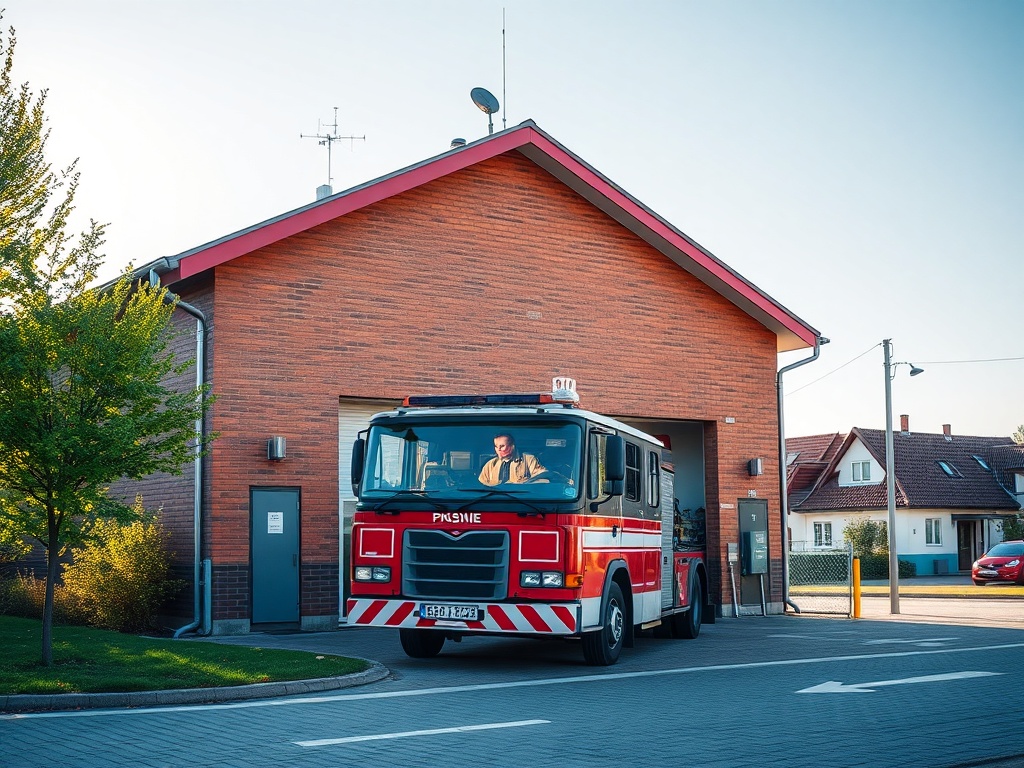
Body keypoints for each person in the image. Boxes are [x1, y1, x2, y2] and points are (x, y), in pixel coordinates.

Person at [478, 433, 547, 486]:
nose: (498, 449)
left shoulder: (529, 460)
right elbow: (481, 486)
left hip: (522, 500)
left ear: (512, 446)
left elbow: (542, 480)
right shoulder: (490, 465)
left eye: (502, 446)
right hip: (494, 500)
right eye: (496, 446)